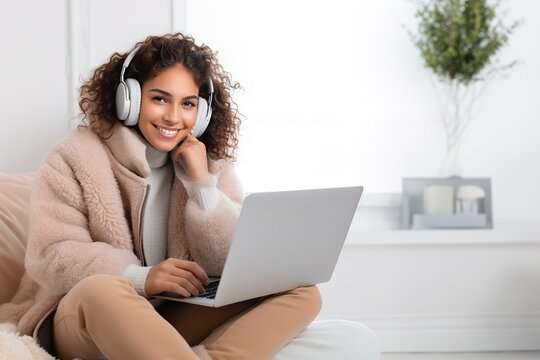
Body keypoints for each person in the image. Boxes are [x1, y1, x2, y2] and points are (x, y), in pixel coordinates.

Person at [0, 33, 321, 360]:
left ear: (203, 112)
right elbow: (53, 255)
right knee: (103, 288)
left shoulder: (210, 164)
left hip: (165, 317)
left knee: (301, 292)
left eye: (188, 104)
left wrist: (202, 187)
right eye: (159, 99)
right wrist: (142, 278)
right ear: (130, 99)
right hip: (83, 318)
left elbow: (228, 264)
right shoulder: (75, 157)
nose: (173, 117)